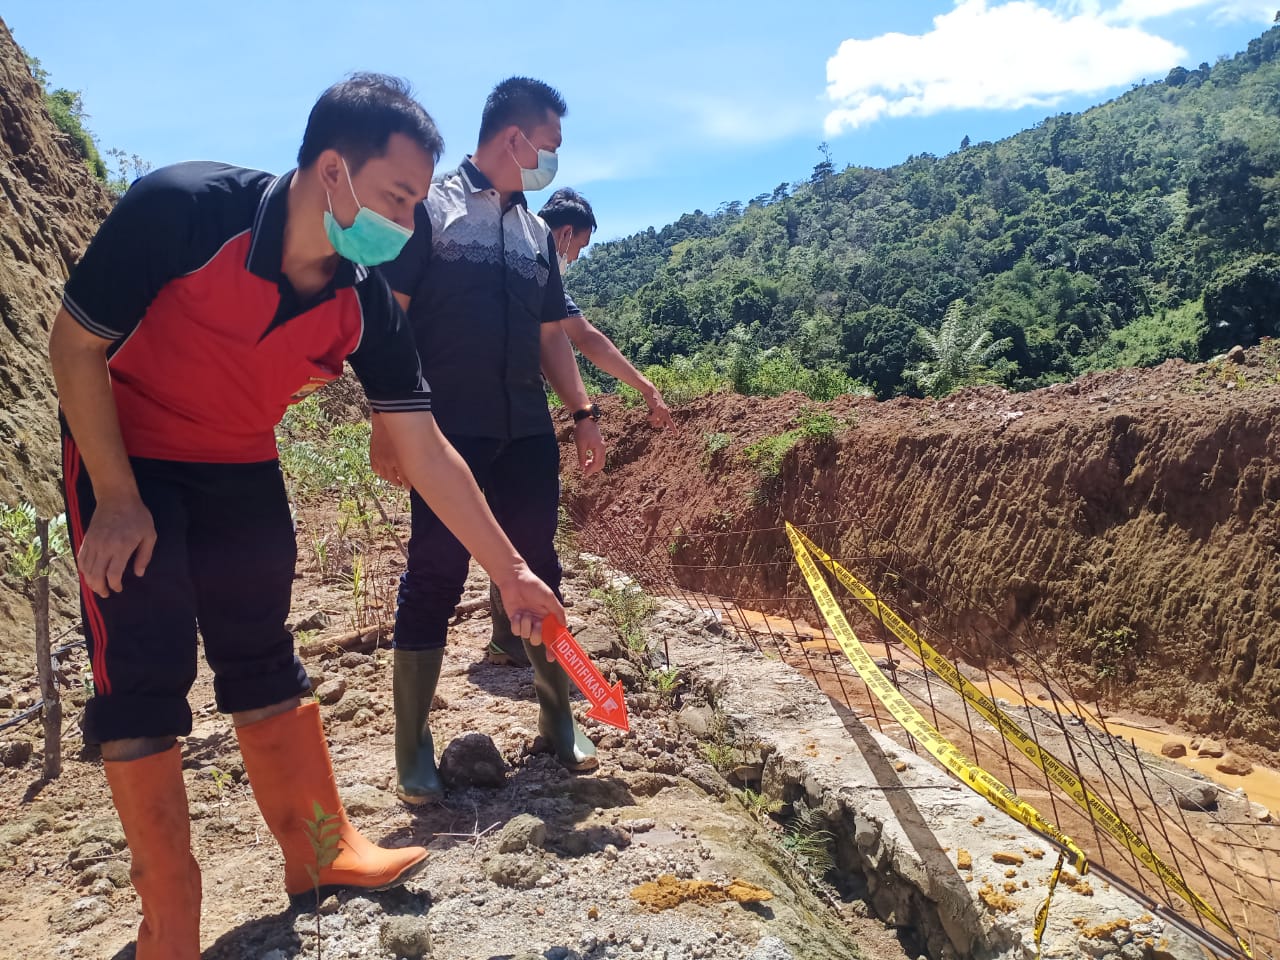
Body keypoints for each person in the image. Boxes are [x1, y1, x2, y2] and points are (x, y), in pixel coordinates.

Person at [49, 74, 563, 960]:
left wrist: (510, 570)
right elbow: (74, 345)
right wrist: (119, 500)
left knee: (261, 648)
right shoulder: (182, 211)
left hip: (240, 459)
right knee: (145, 660)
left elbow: (425, 449)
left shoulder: (362, 298)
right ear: (334, 169)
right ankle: (169, 920)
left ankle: (323, 855)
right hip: (126, 454)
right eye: (399, 196)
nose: (408, 222)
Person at [373, 77, 606, 803]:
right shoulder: (430, 210)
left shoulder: (537, 233)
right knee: (435, 577)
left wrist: (582, 411)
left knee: (542, 568)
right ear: (515, 138)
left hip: (524, 430)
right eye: (550, 146)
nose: (552, 160)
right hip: (446, 432)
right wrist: (385, 421)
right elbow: (391, 319)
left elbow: (549, 337)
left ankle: (557, 718)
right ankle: (413, 747)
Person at [486, 186, 674, 666]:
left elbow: (575, 336)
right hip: (502, 407)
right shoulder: (535, 260)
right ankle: (533, 637)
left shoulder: (512, 253)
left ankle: (512, 631)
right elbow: (583, 338)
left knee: (504, 520)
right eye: (580, 248)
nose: (575, 257)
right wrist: (644, 388)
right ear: (565, 234)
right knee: (527, 519)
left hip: (473, 405)